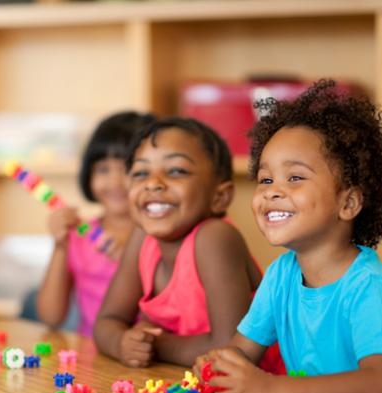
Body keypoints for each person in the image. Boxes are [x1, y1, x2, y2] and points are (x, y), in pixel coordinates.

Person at [194, 79, 382, 393]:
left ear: (348, 203)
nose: (272, 191)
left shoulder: (368, 287)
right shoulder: (280, 275)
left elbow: (381, 385)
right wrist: (220, 365)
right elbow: (242, 351)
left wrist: (271, 388)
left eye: (295, 178)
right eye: (265, 179)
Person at [93, 117, 284, 372]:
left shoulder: (215, 238)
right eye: (140, 173)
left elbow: (230, 349)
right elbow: (107, 321)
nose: (153, 183)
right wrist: (122, 343)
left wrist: (156, 345)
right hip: (189, 384)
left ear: (219, 197)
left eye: (176, 171)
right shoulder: (142, 239)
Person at [36, 111, 156, 336]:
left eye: (128, 169)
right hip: (93, 360)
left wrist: (132, 265)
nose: (115, 182)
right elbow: (51, 316)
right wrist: (60, 245)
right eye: (103, 169)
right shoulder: (79, 236)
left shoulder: (161, 235)